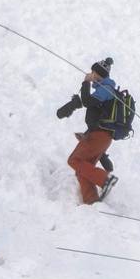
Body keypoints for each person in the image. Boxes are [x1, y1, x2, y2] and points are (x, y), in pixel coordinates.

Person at [56, 57, 119, 204]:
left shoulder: (106, 89)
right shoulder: (104, 89)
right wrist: (86, 134)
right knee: (83, 167)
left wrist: (85, 82)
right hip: (98, 136)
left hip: (100, 136)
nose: (91, 74)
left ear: (99, 74)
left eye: (93, 72)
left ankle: (105, 179)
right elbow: (96, 114)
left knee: (74, 160)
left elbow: (87, 101)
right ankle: (91, 201)